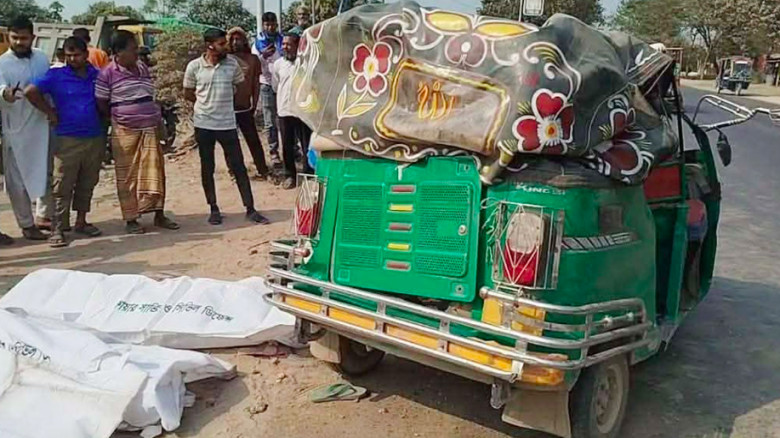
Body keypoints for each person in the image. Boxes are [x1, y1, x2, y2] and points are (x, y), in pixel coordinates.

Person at [96, 30, 179, 235]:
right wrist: (120, 115)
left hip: (150, 128)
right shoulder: (107, 73)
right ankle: (131, 219)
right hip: (124, 130)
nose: (137, 53)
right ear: (118, 52)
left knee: (155, 173)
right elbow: (101, 102)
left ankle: (159, 214)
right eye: (133, 49)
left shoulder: (142, 67)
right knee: (127, 177)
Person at [183, 28, 269, 226]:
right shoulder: (194, 67)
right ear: (209, 45)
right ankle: (213, 208)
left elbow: (238, 86)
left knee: (239, 167)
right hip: (204, 124)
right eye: (221, 44)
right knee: (208, 168)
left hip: (227, 124)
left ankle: (250, 209)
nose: (226, 47)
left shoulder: (232, 64)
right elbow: (187, 93)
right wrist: (205, 103)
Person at [25, 36, 105, 248]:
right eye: (69, 55)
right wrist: (50, 112)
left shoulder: (97, 75)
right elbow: (30, 92)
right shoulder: (56, 75)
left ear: (86, 54)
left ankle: (82, 222)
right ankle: (58, 228)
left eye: (76, 55)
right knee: (62, 184)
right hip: (66, 138)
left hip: (94, 136)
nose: (72, 59)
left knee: (88, 181)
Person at [0, 17, 51, 241]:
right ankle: (27, 225)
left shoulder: (41, 58)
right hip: (16, 131)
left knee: (45, 174)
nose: (19, 42)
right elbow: (1, 89)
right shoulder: (2, 63)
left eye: (24, 38)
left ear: (33, 37)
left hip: (42, 127)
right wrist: (7, 94)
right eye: (15, 38)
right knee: (17, 183)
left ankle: (44, 216)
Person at [273, 33, 313, 189]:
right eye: (283, 44)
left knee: (306, 145)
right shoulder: (278, 64)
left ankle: (309, 174)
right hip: (284, 111)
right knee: (287, 145)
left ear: (298, 46)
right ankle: (289, 175)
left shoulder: (307, 63)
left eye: (288, 44)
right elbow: (276, 85)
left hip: (302, 111)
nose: (285, 47)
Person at [228, 27, 269, 180]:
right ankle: (233, 171)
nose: (235, 42)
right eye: (232, 39)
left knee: (253, 140)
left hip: (245, 107)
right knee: (230, 142)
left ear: (244, 41)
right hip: (227, 108)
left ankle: (262, 169)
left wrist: (255, 103)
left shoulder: (253, 60)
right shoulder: (225, 60)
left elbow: (256, 84)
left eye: (238, 39)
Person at [251, 12, 282, 166]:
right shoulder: (257, 44)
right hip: (266, 85)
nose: (270, 27)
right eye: (267, 24)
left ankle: (293, 150)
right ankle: (274, 152)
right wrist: (263, 56)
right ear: (263, 25)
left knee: (287, 118)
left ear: (276, 24)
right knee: (270, 122)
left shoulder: (282, 41)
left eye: (272, 24)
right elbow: (254, 64)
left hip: (283, 85)